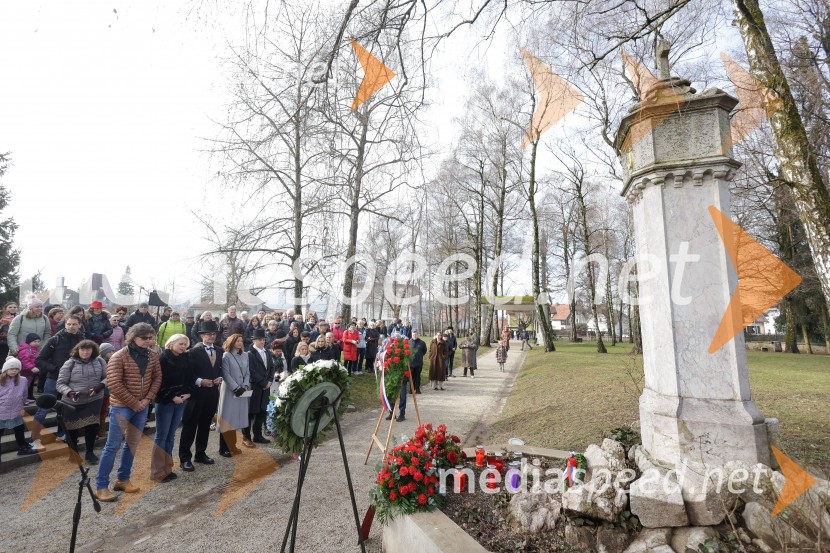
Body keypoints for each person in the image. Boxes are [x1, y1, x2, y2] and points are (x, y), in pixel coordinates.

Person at [95, 323, 162, 502]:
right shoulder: (119, 356)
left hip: (142, 406)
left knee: (132, 444)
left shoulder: (153, 355)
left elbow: (157, 378)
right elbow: (114, 383)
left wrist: (147, 399)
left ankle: (123, 479)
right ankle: (101, 486)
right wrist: (134, 403)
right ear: (133, 337)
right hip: (122, 407)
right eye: (144, 338)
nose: (148, 341)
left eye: (151, 337)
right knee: (112, 446)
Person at [32, 315, 84, 449]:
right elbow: (39, 360)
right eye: (69, 324)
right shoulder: (55, 339)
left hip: (72, 381)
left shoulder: (82, 340)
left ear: (79, 325)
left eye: (74, 324)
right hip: (53, 379)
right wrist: (55, 368)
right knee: (43, 409)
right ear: (65, 324)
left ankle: (61, 435)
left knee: (66, 410)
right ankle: (35, 439)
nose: (71, 326)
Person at [179, 319, 223, 472]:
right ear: (202, 336)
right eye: (208, 334)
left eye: (213, 334)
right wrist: (200, 381)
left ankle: (200, 453)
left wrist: (220, 378)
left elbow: (221, 369)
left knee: (205, 424)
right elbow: (188, 373)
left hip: (212, 393)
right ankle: (185, 458)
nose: (211, 336)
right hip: (197, 393)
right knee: (190, 425)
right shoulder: (194, 352)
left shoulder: (220, 351)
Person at [151, 334, 195, 483]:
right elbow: (158, 382)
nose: (183, 346)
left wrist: (188, 393)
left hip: (181, 400)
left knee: (171, 436)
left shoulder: (186, 358)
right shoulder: (162, 359)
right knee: (161, 436)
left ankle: (167, 469)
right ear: (171, 344)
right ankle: (158, 471)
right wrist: (171, 396)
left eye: (184, 344)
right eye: (180, 344)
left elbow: (189, 378)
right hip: (165, 402)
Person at [56, 339, 107, 465]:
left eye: (88, 349)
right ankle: (73, 454)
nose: (85, 352)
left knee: (92, 426)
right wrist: (69, 392)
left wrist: (100, 386)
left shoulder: (100, 361)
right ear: (77, 350)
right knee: (71, 428)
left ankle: (90, 452)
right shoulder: (69, 363)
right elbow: (60, 384)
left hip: (94, 399)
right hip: (73, 401)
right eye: (82, 349)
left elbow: (108, 377)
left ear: (93, 350)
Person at [0, 358, 38, 463]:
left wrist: (21, 407)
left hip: (16, 409)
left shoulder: (23, 380)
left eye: (16, 369)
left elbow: (24, 394)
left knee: (19, 429)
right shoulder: (1, 380)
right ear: (6, 369)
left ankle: (23, 448)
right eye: (11, 368)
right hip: (2, 411)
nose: (14, 371)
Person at [217, 333, 250, 457]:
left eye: (241, 341)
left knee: (236, 419)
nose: (240, 343)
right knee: (227, 418)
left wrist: (245, 385)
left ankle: (233, 446)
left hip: (242, 390)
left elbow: (247, 372)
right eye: (237, 341)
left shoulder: (245, 355)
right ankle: (223, 448)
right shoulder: (226, 355)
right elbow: (225, 373)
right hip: (230, 391)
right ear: (232, 342)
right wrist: (236, 387)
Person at [243, 329, 274, 445]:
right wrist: (263, 383)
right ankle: (246, 437)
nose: (262, 342)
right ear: (254, 341)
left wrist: (269, 381)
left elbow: (272, 368)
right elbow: (251, 371)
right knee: (250, 412)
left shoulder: (267, 352)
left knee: (262, 411)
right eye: (260, 340)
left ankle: (258, 435)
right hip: (254, 386)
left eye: (263, 339)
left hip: (266, 386)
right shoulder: (249, 354)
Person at [97, 343, 115, 437]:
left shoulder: (113, 360)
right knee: (97, 411)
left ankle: (101, 429)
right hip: (99, 390)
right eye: (110, 351)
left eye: (113, 351)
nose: (112, 353)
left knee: (104, 410)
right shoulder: (98, 361)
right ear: (104, 352)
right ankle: (95, 430)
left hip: (108, 390)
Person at [17, 333, 41, 402]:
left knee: (28, 385)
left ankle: (26, 398)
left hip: (30, 372)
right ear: (29, 341)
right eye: (35, 341)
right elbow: (24, 361)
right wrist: (32, 367)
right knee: (23, 385)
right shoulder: (26, 350)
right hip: (24, 372)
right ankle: (21, 399)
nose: (37, 343)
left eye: (38, 341)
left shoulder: (34, 349)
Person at [408, 329, 427, 394]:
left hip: (419, 362)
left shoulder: (422, 343)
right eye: (413, 335)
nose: (415, 336)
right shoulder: (408, 342)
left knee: (417, 376)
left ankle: (417, 389)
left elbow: (424, 351)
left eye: (416, 334)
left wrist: (419, 355)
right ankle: (411, 389)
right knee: (411, 377)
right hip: (411, 363)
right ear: (411, 335)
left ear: (418, 335)